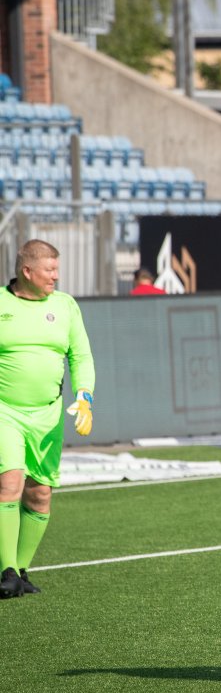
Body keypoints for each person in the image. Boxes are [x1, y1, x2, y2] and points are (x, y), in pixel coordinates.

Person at [0, 240, 95, 598]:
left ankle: (21, 569)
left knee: (40, 494)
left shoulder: (65, 306)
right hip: (5, 411)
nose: (56, 276)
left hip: (48, 415)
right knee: (10, 482)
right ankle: (6, 570)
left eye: (57, 269)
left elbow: (81, 356)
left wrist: (84, 396)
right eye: (49, 270)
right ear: (27, 271)